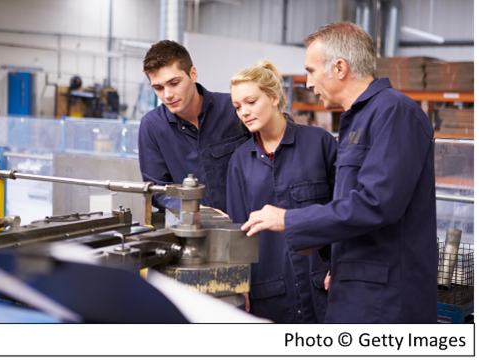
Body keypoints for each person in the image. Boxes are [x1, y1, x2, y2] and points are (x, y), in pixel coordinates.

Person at [241, 22, 438, 323]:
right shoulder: (357, 120)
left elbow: (377, 204)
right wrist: (321, 244)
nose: (308, 83)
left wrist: (289, 219)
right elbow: (351, 207)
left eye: (311, 71)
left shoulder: (394, 112)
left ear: (340, 68)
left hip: (386, 299)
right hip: (354, 290)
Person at [227, 60, 337, 323]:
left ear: (274, 97)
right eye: (238, 106)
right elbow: (237, 232)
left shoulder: (319, 143)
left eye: (251, 102)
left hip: (323, 284)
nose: (244, 112)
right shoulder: (240, 161)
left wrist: (340, 265)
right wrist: (239, 287)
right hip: (270, 291)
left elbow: (345, 209)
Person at [138, 40, 250, 213]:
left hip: (248, 224)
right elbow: (157, 191)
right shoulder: (152, 126)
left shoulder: (234, 109)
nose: (167, 95)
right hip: (191, 231)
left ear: (193, 74)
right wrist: (197, 211)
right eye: (158, 88)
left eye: (174, 83)